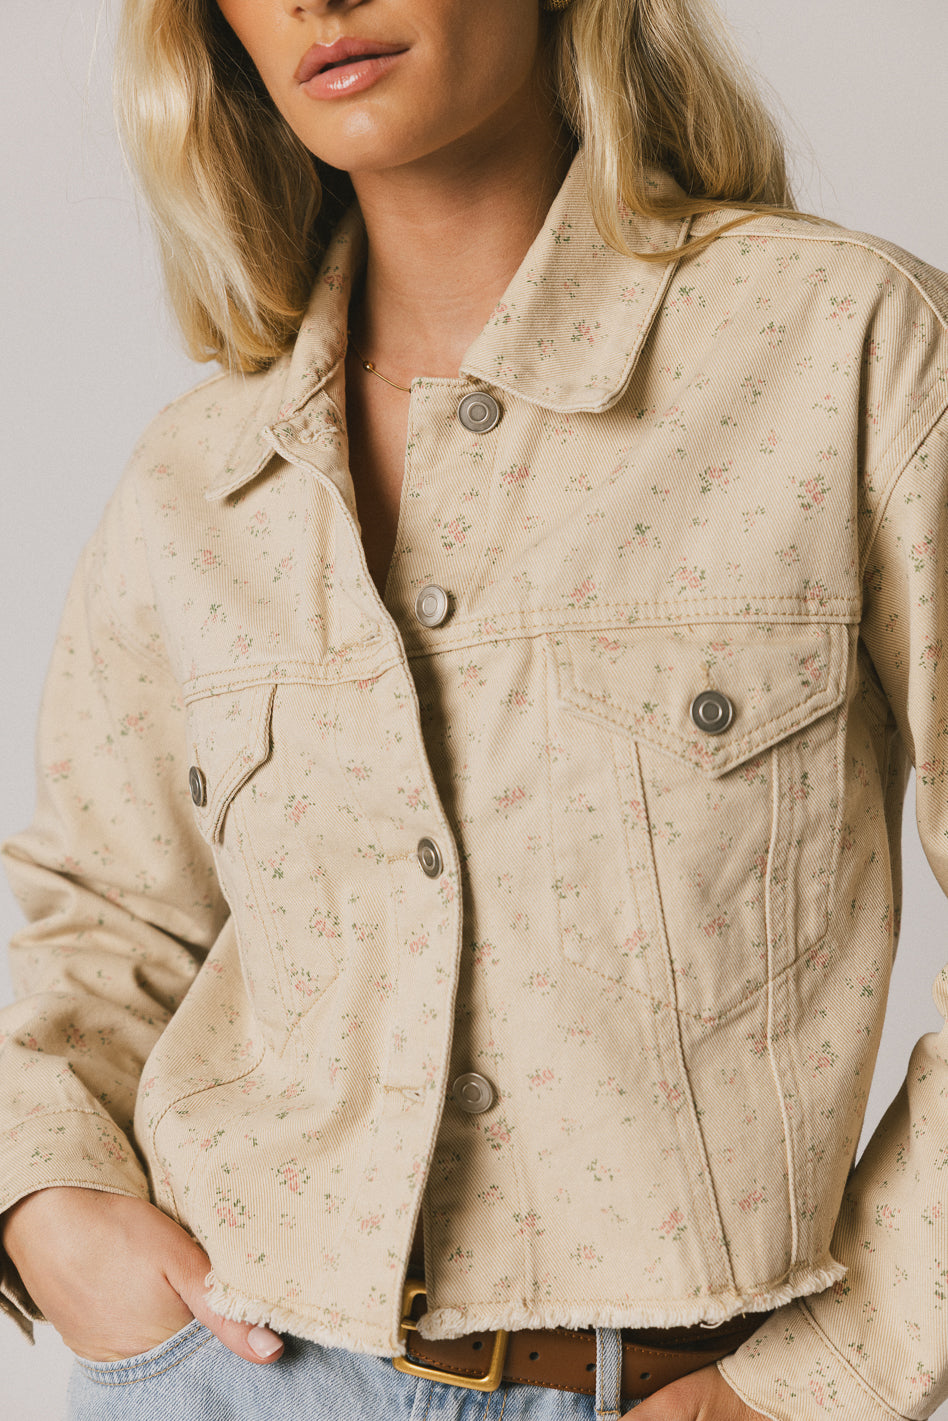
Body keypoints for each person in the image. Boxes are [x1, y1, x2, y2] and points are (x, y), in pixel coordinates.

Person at [0, 0, 946, 1418]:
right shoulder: (195, 473)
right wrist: (45, 1198)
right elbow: (101, 917)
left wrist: (822, 1379)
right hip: (223, 1372)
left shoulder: (844, 351)